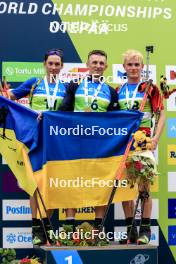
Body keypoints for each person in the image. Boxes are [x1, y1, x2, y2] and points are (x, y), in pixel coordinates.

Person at [8, 48, 67, 245]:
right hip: (34, 140)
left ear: (62, 66)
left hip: (57, 142)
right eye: (50, 63)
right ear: (44, 64)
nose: (53, 67)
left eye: (57, 64)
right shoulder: (34, 83)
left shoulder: (67, 88)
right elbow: (10, 98)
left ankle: (46, 226)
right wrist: (5, 93)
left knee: (51, 184)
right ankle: (36, 227)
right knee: (35, 184)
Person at [59, 49, 119, 230]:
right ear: (87, 64)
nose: (98, 66)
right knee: (73, 182)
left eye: (101, 63)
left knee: (99, 184)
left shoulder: (110, 91)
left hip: (99, 145)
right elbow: (63, 111)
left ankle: (97, 228)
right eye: (94, 62)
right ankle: (70, 227)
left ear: (106, 67)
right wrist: (46, 117)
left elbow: (117, 121)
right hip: (75, 142)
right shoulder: (75, 85)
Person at [117, 49, 165, 244]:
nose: (134, 68)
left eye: (137, 64)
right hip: (123, 144)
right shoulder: (119, 90)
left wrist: (155, 139)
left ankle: (145, 230)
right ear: (124, 68)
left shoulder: (150, 88)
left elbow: (162, 114)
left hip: (143, 143)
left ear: (142, 67)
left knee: (143, 187)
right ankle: (131, 231)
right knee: (124, 189)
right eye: (130, 64)